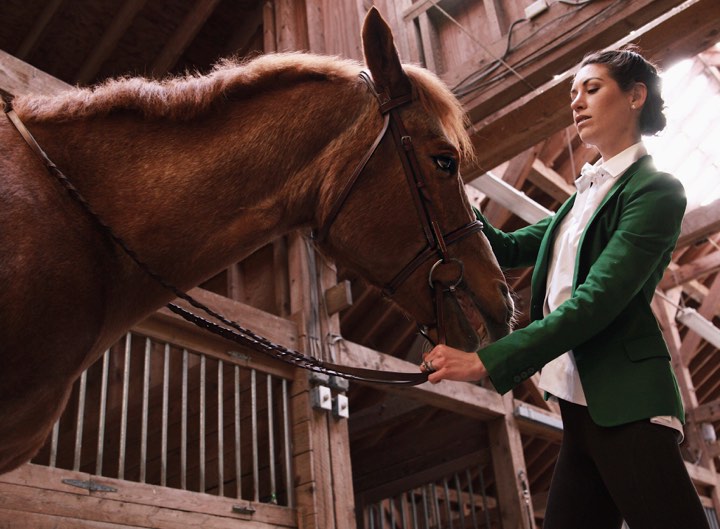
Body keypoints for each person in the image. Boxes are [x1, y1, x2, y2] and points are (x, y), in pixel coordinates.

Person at [420, 47, 711, 529]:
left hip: (628, 404)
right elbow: (507, 247)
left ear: (636, 96)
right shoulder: (584, 196)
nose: (576, 102)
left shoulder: (657, 191)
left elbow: (597, 301)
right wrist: (446, 187)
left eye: (591, 89)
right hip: (579, 408)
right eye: (572, 93)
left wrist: (483, 360)